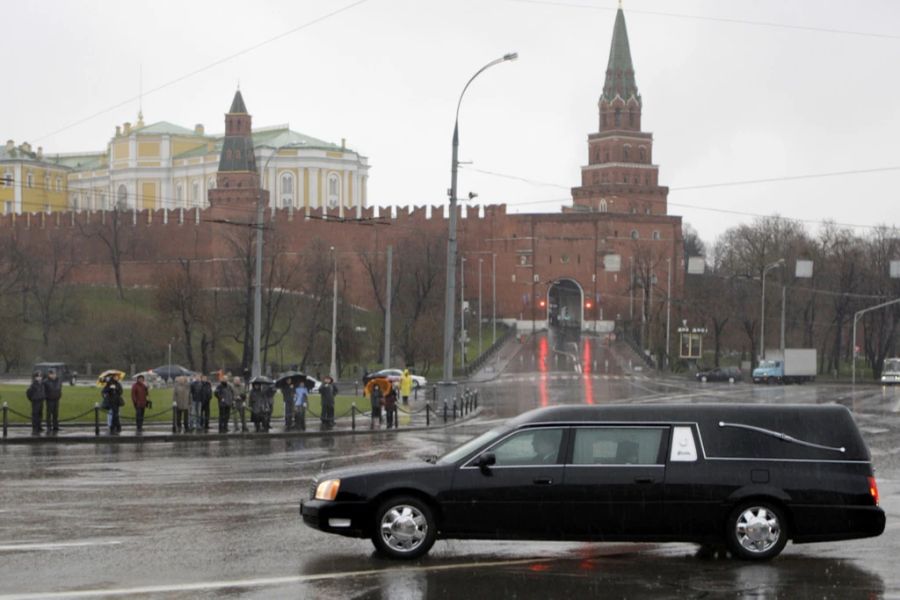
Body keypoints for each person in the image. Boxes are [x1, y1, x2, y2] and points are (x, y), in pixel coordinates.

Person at [26, 371, 46, 436]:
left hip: (41, 400)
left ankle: (39, 426)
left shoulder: (42, 383)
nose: (39, 377)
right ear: (35, 377)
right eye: (38, 376)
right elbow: (28, 393)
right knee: (35, 415)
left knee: (40, 414)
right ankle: (35, 428)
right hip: (35, 401)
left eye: (40, 376)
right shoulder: (33, 385)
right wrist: (32, 399)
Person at [43, 369, 63, 433]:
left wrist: (59, 395)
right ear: (49, 374)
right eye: (51, 374)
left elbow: (60, 388)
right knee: (49, 414)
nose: (53, 375)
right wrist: (47, 397)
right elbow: (44, 391)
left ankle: (55, 426)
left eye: (54, 374)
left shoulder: (58, 381)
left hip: (56, 399)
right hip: (49, 400)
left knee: (55, 414)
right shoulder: (46, 382)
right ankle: (49, 427)